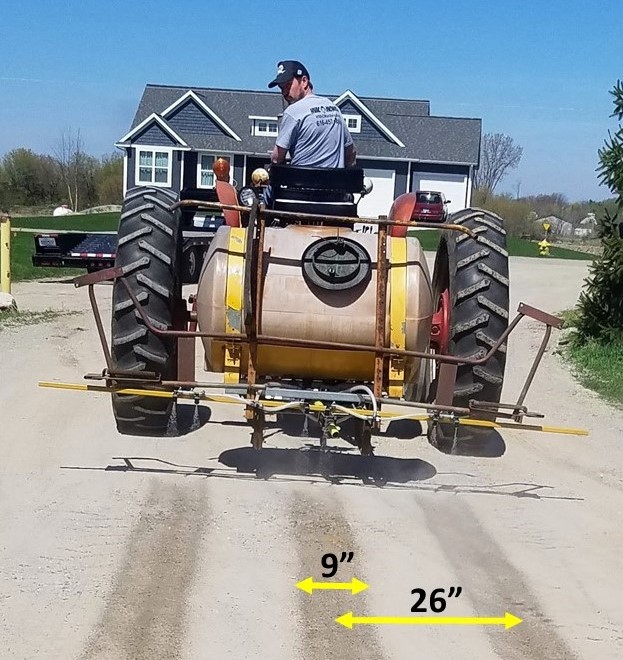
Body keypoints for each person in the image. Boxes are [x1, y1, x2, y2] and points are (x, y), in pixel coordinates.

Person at [268, 60, 356, 168]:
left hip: (300, 182)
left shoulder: (292, 112)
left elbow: (277, 159)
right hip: (334, 183)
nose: (284, 92)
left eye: (288, 85)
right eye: (281, 88)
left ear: (304, 81)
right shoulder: (334, 109)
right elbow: (350, 153)